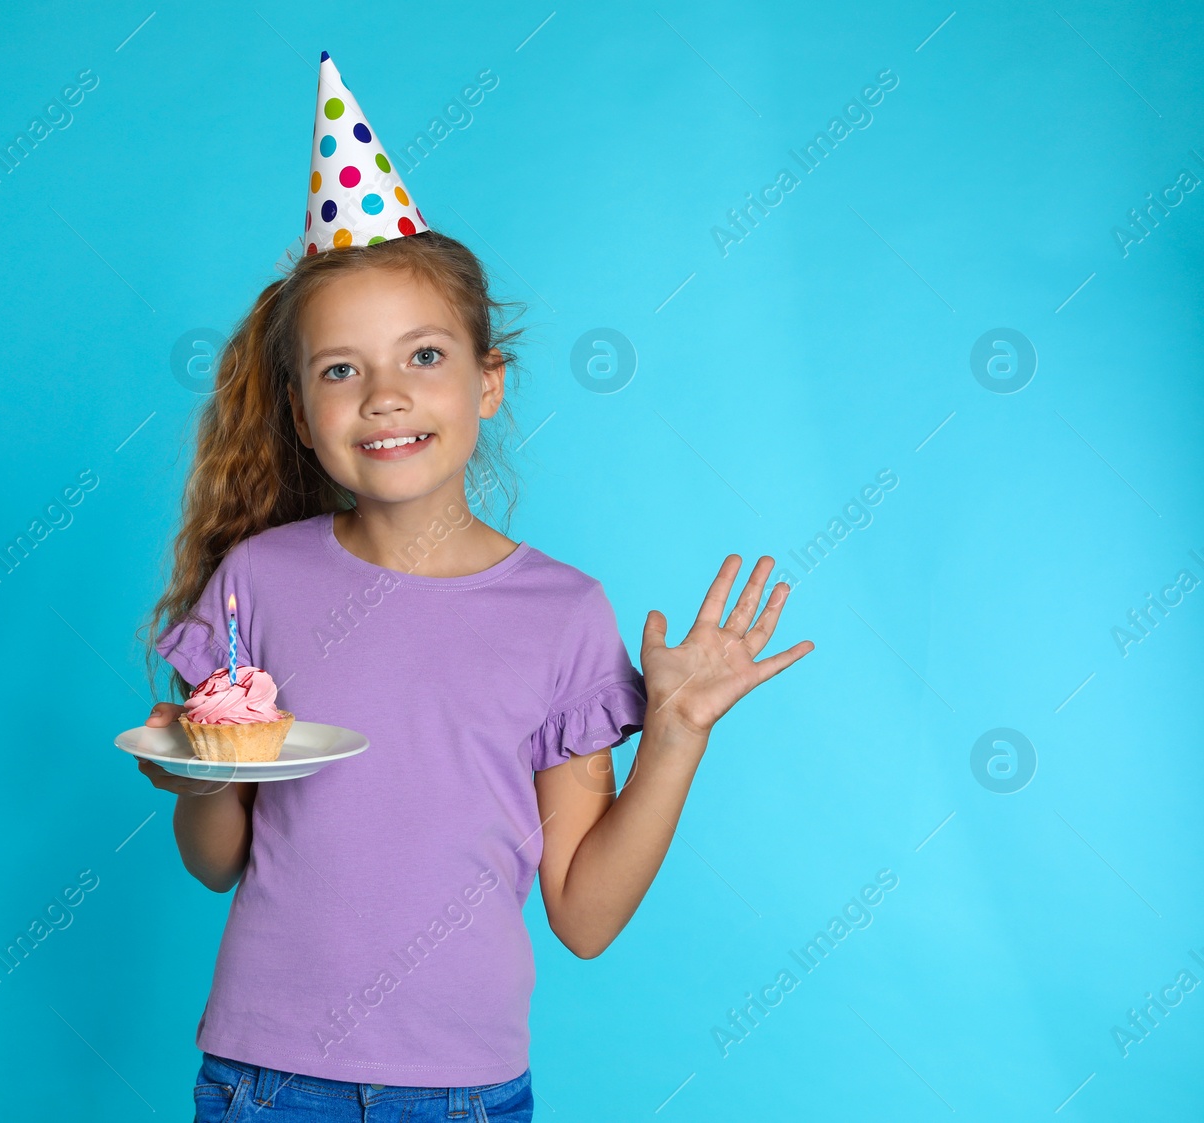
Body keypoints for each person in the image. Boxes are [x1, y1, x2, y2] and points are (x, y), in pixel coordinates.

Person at [135, 52, 812, 1123]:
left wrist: (675, 731)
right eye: (340, 369)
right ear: (304, 410)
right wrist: (204, 765)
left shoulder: (560, 615)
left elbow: (583, 914)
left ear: (487, 383)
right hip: (262, 1077)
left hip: (459, 1092)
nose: (384, 395)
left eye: (425, 356)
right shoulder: (255, 581)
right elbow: (212, 864)